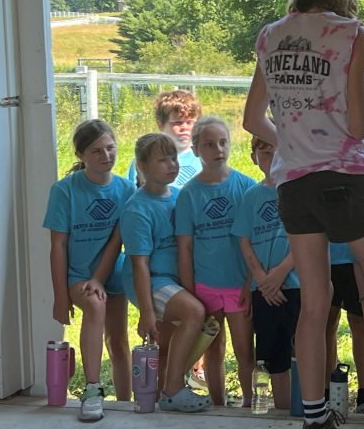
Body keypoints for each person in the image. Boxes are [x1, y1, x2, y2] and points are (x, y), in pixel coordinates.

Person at [243, 0, 364, 429]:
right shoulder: (352, 33)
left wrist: (295, 144)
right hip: (347, 177)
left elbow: (252, 119)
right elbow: (360, 125)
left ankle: (316, 414)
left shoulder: (269, 35)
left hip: (295, 185)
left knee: (314, 303)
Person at [44, 119, 134, 421]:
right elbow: (58, 246)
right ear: (81, 155)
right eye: (96, 151)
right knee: (95, 305)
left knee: (119, 339)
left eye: (111, 148)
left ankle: (127, 400)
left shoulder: (125, 189)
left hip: (112, 271)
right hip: (77, 274)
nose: (106, 156)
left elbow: (116, 241)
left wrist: (101, 277)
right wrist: (60, 296)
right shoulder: (64, 191)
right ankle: (93, 389)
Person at [120, 133, 210, 413]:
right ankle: (173, 391)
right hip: (151, 281)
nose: (172, 164)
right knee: (194, 312)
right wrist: (147, 313)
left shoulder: (180, 197)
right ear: (142, 166)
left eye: (174, 157)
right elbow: (139, 265)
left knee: (169, 345)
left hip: (174, 280)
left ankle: (157, 398)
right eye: (162, 159)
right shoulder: (137, 209)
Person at [175, 116, 258, 406]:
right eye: (209, 144)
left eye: (223, 142)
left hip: (239, 284)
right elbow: (184, 248)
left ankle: (249, 404)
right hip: (205, 285)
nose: (217, 149)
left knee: (246, 349)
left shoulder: (247, 187)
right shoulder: (188, 195)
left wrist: (251, 281)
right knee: (213, 349)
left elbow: (255, 242)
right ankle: (219, 405)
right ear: (196, 149)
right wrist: (190, 291)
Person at [235, 136, 300, 411]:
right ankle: (284, 410)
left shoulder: (296, 191)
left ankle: (305, 407)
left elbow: (306, 237)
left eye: (276, 151)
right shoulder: (251, 196)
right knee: (273, 358)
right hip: (264, 290)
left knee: (300, 352)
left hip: (294, 286)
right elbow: (244, 240)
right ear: (253, 158)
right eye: (263, 152)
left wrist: (281, 272)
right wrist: (262, 279)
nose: (270, 158)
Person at [326, 241, 364, 413]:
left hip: (355, 257)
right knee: (327, 324)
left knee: (360, 322)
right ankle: (328, 391)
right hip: (325, 258)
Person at [127, 90, 204, 189]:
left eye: (190, 122)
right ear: (161, 124)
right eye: (178, 122)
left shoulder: (205, 158)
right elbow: (133, 191)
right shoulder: (146, 157)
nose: (184, 127)